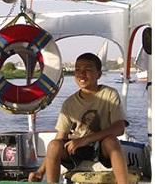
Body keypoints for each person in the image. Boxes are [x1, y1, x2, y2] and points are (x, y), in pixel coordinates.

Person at [28, 53, 129, 183]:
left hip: (101, 146)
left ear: (98, 74)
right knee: (54, 145)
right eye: (77, 70)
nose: (81, 74)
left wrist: (85, 140)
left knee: (111, 141)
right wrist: (40, 171)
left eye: (87, 70)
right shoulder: (69, 103)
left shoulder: (109, 94)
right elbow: (59, 138)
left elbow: (119, 128)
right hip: (76, 148)